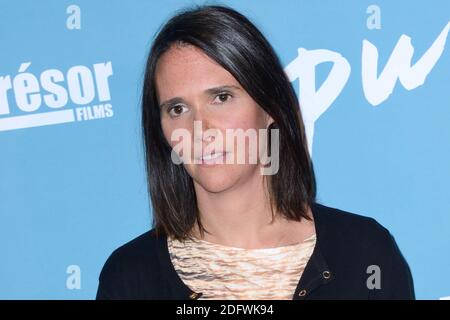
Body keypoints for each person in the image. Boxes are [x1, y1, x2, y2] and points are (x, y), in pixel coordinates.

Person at [96, 4, 415, 300]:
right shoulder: (130, 278)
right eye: (177, 108)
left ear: (270, 105)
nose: (199, 129)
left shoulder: (364, 256)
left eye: (221, 97)